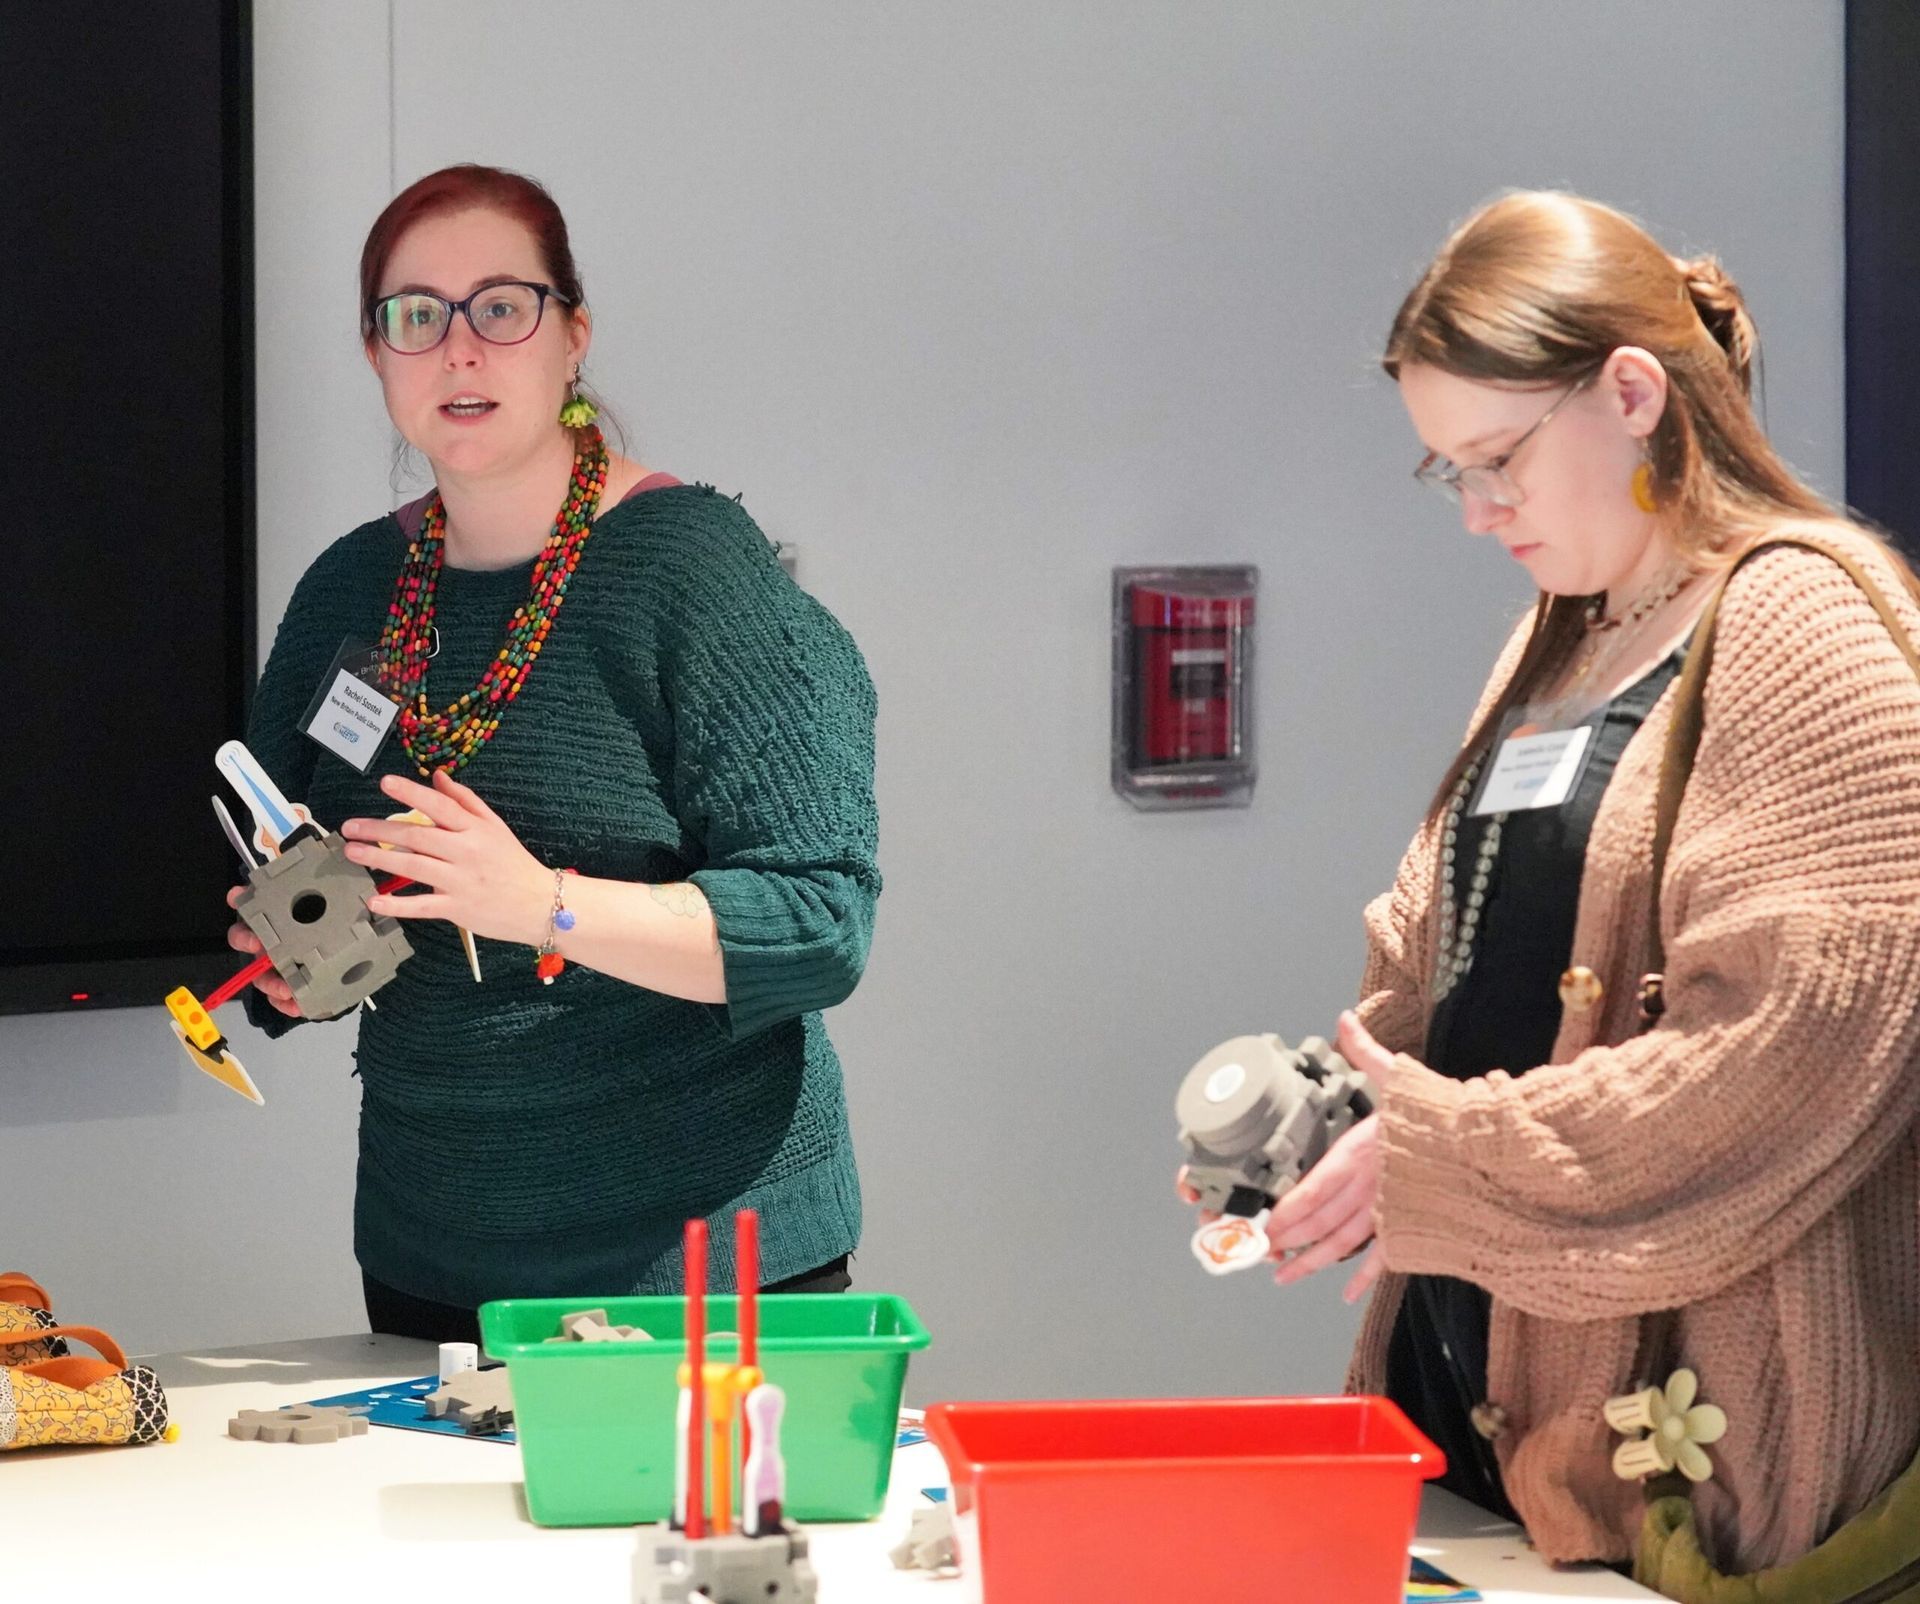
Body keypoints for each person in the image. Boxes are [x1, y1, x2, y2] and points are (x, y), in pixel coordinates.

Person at [1190, 192, 1920, 1594]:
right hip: (1486, 1420)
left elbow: (1780, 1058)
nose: (1478, 513)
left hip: (1707, 1478)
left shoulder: (1807, 621)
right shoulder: (1563, 637)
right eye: (1449, 473)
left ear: (1633, 394)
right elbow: (1447, 967)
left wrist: (1440, 1165)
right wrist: (1322, 1126)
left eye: (1500, 459)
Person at [229, 164, 878, 1344]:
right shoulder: (350, 588)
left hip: (703, 1265)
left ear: (574, 335)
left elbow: (818, 923)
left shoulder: (695, 569)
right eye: (416, 315)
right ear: (377, 356)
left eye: (502, 306)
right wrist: (292, 957)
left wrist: (538, 902)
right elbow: (285, 848)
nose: (459, 348)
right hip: (433, 1260)